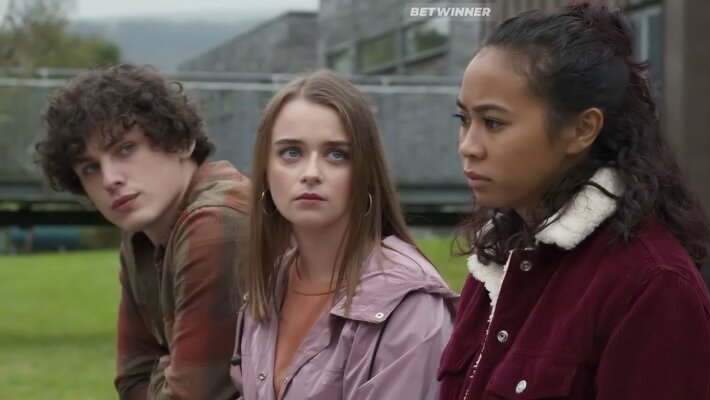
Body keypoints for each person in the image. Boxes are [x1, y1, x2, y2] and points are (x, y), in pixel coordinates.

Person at [438, 3, 710, 399]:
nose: (468, 146)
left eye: (494, 123)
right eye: (464, 120)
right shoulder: (497, 258)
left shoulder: (653, 285)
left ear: (582, 129)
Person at [230, 69, 457, 399]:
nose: (311, 173)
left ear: (365, 172)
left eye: (336, 154)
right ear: (265, 171)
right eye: (291, 152)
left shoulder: (412, 308)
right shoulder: (268, 285)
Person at [35, 64, 250, 399]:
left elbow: (189, 395)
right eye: (91, 167)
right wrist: (165, 375)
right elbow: (131, 379)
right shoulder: (141, 234)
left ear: (181, 142)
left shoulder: (217, 223)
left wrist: (163, 372)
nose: (110, 179)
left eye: (125, 149)